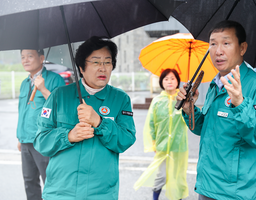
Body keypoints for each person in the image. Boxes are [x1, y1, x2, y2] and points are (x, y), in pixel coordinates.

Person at [176, 20, 256, 200]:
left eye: (226, 43)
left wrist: (241, 104)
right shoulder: (216, 85)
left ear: (242, 48)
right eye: (213, 43)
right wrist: (189, 109)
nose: (218, 51)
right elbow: (205, 128)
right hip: (207, 187)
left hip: (237, 193)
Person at [33, 36, 136, 200]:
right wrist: (68, 136)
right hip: (60, 193)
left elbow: (126, 140)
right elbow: (41, 141)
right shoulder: (59, 96)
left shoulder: (121, 99)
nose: (102, 68)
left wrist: (100, 123)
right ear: (81, 67)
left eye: (107, 62)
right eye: (96, 62)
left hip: (100, 194)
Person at [17, 49, 65, 200]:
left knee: (50, 183)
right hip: (26, 141)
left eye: (30, 56)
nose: (25, 60)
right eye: (23, 57)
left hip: (44, 140)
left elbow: (60, 108)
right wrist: (20, 137)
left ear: (41, 58)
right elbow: (22, 111)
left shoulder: (54, 80)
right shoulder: (25, 83)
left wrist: (43, 88)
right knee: (29, 182)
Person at [134, 69, 189, 200]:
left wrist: (187, 103)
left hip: (178, 145)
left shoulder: (183, 100)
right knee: (162, 176)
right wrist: (153, 142)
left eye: (172, 78)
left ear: (177, 81)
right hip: (162, 146)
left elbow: (190, 120)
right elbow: (151, 123)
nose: (169, 81)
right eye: (166, 79)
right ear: (161, 82)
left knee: (178, 176)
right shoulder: (157, 100)